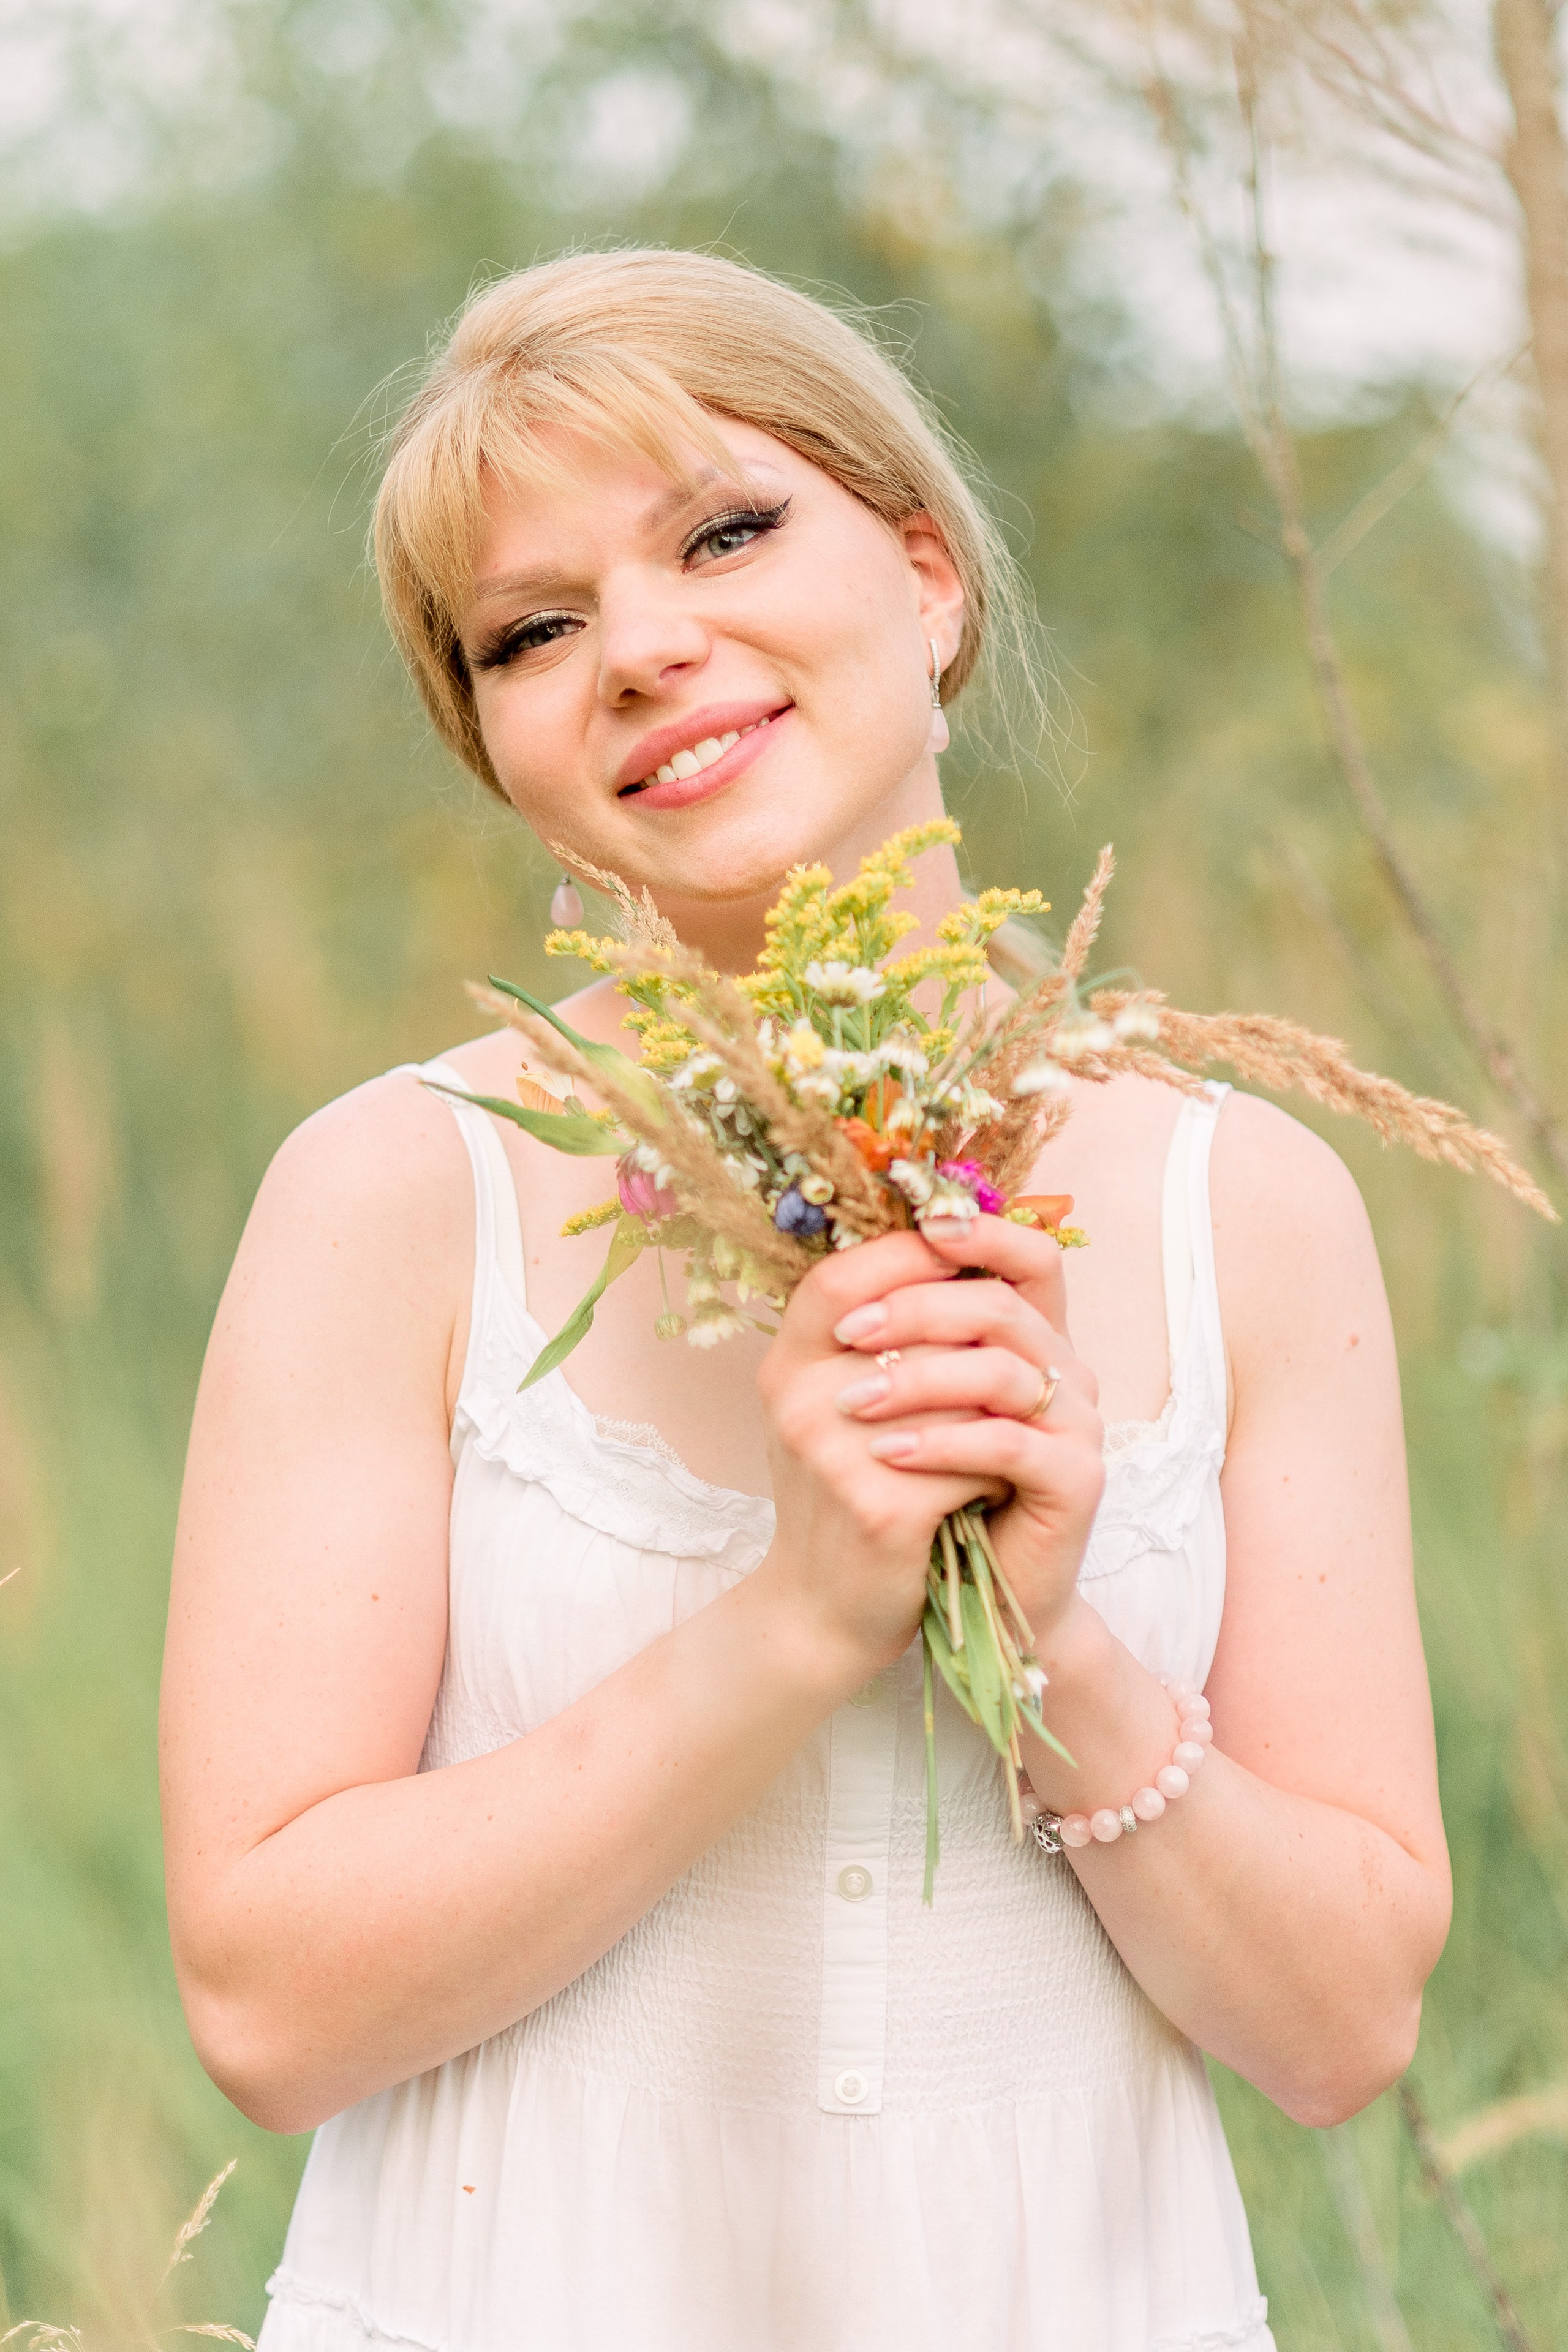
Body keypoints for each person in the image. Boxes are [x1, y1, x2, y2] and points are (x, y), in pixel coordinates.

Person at [160, 248, 1451, 2352]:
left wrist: (1050, 1651)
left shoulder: (1252, 1206)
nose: (647, 651)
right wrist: (799, 1618)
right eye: (535, 630)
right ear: (499, 743)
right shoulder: (399, 1194)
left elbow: (1343, 2030)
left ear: (929, 577)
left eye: (728, 532)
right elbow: (268, 2007)